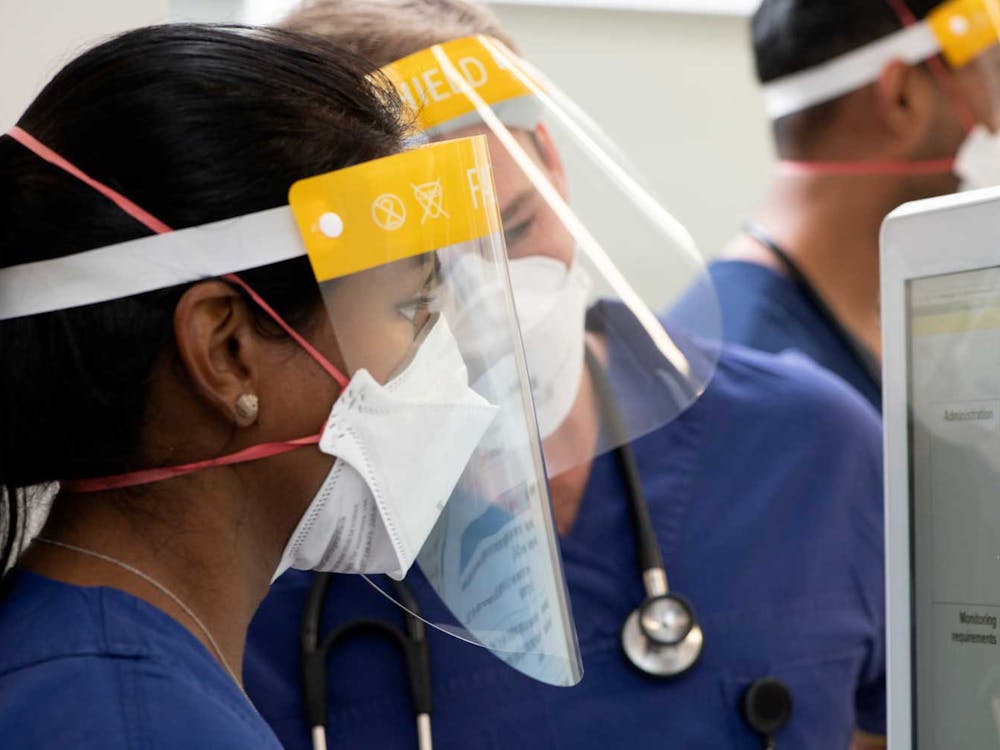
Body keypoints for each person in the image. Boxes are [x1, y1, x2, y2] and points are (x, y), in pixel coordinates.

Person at [244, 2, 888, 748]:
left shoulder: (809, 452)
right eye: (422, 272)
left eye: (516, 228)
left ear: (552, 160)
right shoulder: (289, 551)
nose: (494, 304)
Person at [0, 22, 577, 748]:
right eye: (412, 308)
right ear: (226, 350)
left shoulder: (89, 671)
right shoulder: (131, 720)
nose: (451, 363)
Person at [672, 0, 1000, 410]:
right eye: (993, 74)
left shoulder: (874, 338)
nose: (994, 122)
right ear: (901, 97)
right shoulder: (744, 379)